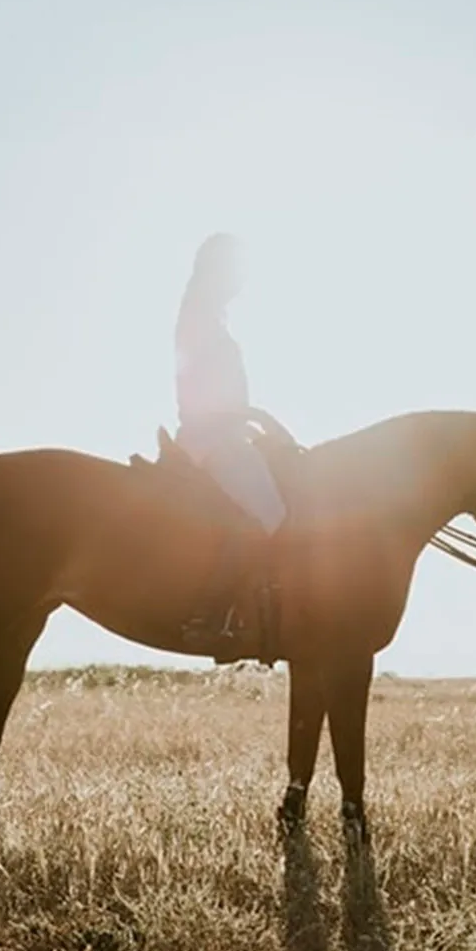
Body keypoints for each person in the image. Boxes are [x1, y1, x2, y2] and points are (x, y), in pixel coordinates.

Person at [174, 233, 286, 654]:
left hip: (228, 432)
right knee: (272, 512)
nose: (242, 280)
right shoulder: (199, 318)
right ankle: (209, 614)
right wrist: (256, 417)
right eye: (235, 270)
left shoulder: (211, 317)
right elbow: (202, 397)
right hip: (211, 437)